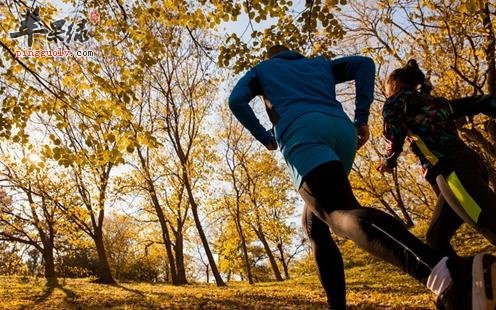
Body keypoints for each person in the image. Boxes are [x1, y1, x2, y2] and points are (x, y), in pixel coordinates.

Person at [228, 45, 496, 310]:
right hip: (341, 133)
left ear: (269, 57)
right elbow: (364, 64)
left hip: (302, 133)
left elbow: (236, 100)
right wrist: (361, 117)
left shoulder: (262, 70)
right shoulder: (318, 63)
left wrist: (265, 137)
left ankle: (446, 275)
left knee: (339, 211)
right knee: (315, 224)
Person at [378, 59, 496, 258]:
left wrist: (388, 161)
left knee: (491, 223)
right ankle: (467, 285)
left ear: (394, 84)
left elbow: (393, 136)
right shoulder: (436, 103)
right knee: (435, 240)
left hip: (453, 172)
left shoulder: (395, 102)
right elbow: (477, 103)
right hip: (468, 166)